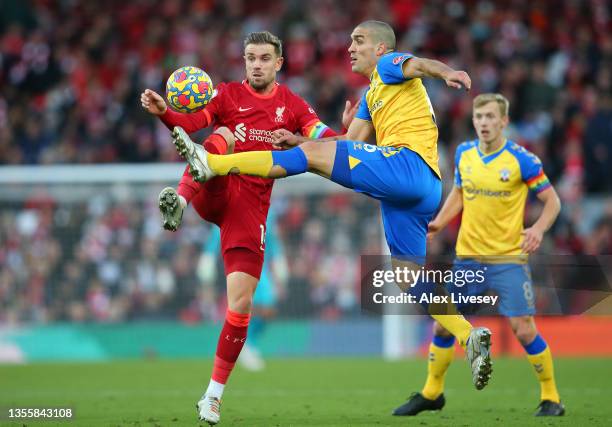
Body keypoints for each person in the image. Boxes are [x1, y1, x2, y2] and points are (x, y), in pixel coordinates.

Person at [170, 20, 493, 394]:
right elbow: (345, 142)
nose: (351, 48)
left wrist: (449, 72)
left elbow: (420, 64)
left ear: (380, 50)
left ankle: (212, 164)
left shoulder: (389, 67)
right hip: (418, 192)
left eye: (358, 42)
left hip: (407, 166)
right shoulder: (373, 95)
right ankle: (469, 337)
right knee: (407, 277)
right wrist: (296, 139)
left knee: (310, 155)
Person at [141, 31, 351, 425]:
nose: (256, 64)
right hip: (216, 189)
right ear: (244, 61)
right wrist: (163, 112)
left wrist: (348, 132)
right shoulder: (226, 95)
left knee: (241, 305)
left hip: (250, 210)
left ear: (278, 63)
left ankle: (212, 397)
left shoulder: (292, 105)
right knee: (220, 135)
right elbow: (191, 121)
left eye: (264, 58)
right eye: (250, 57)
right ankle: (181, 201)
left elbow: (323, 138)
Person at [393, 93, 565, 417]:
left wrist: (539, 229)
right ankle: (432, 393)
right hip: (468, 258)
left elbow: (553, 201)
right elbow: (459, 192)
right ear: (473, 121)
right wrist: (440, 223)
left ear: (504, 122)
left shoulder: (521, 160)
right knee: (444, 325)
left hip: (507, 259)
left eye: (490, 117)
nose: (484, 123)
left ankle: (551, 397)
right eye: (479, 117)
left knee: (523, 328)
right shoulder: (464, 153)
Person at [197, 208, 287, 371]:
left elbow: (272, 241)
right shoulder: (227, 209)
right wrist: (208, 264)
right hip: (239, 265)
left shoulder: (268, 211)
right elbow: (214, 241)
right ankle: (246, 345)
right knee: (253, 305)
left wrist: (279, 263)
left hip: (262, 267)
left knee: (267, 307)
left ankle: (248, 344)